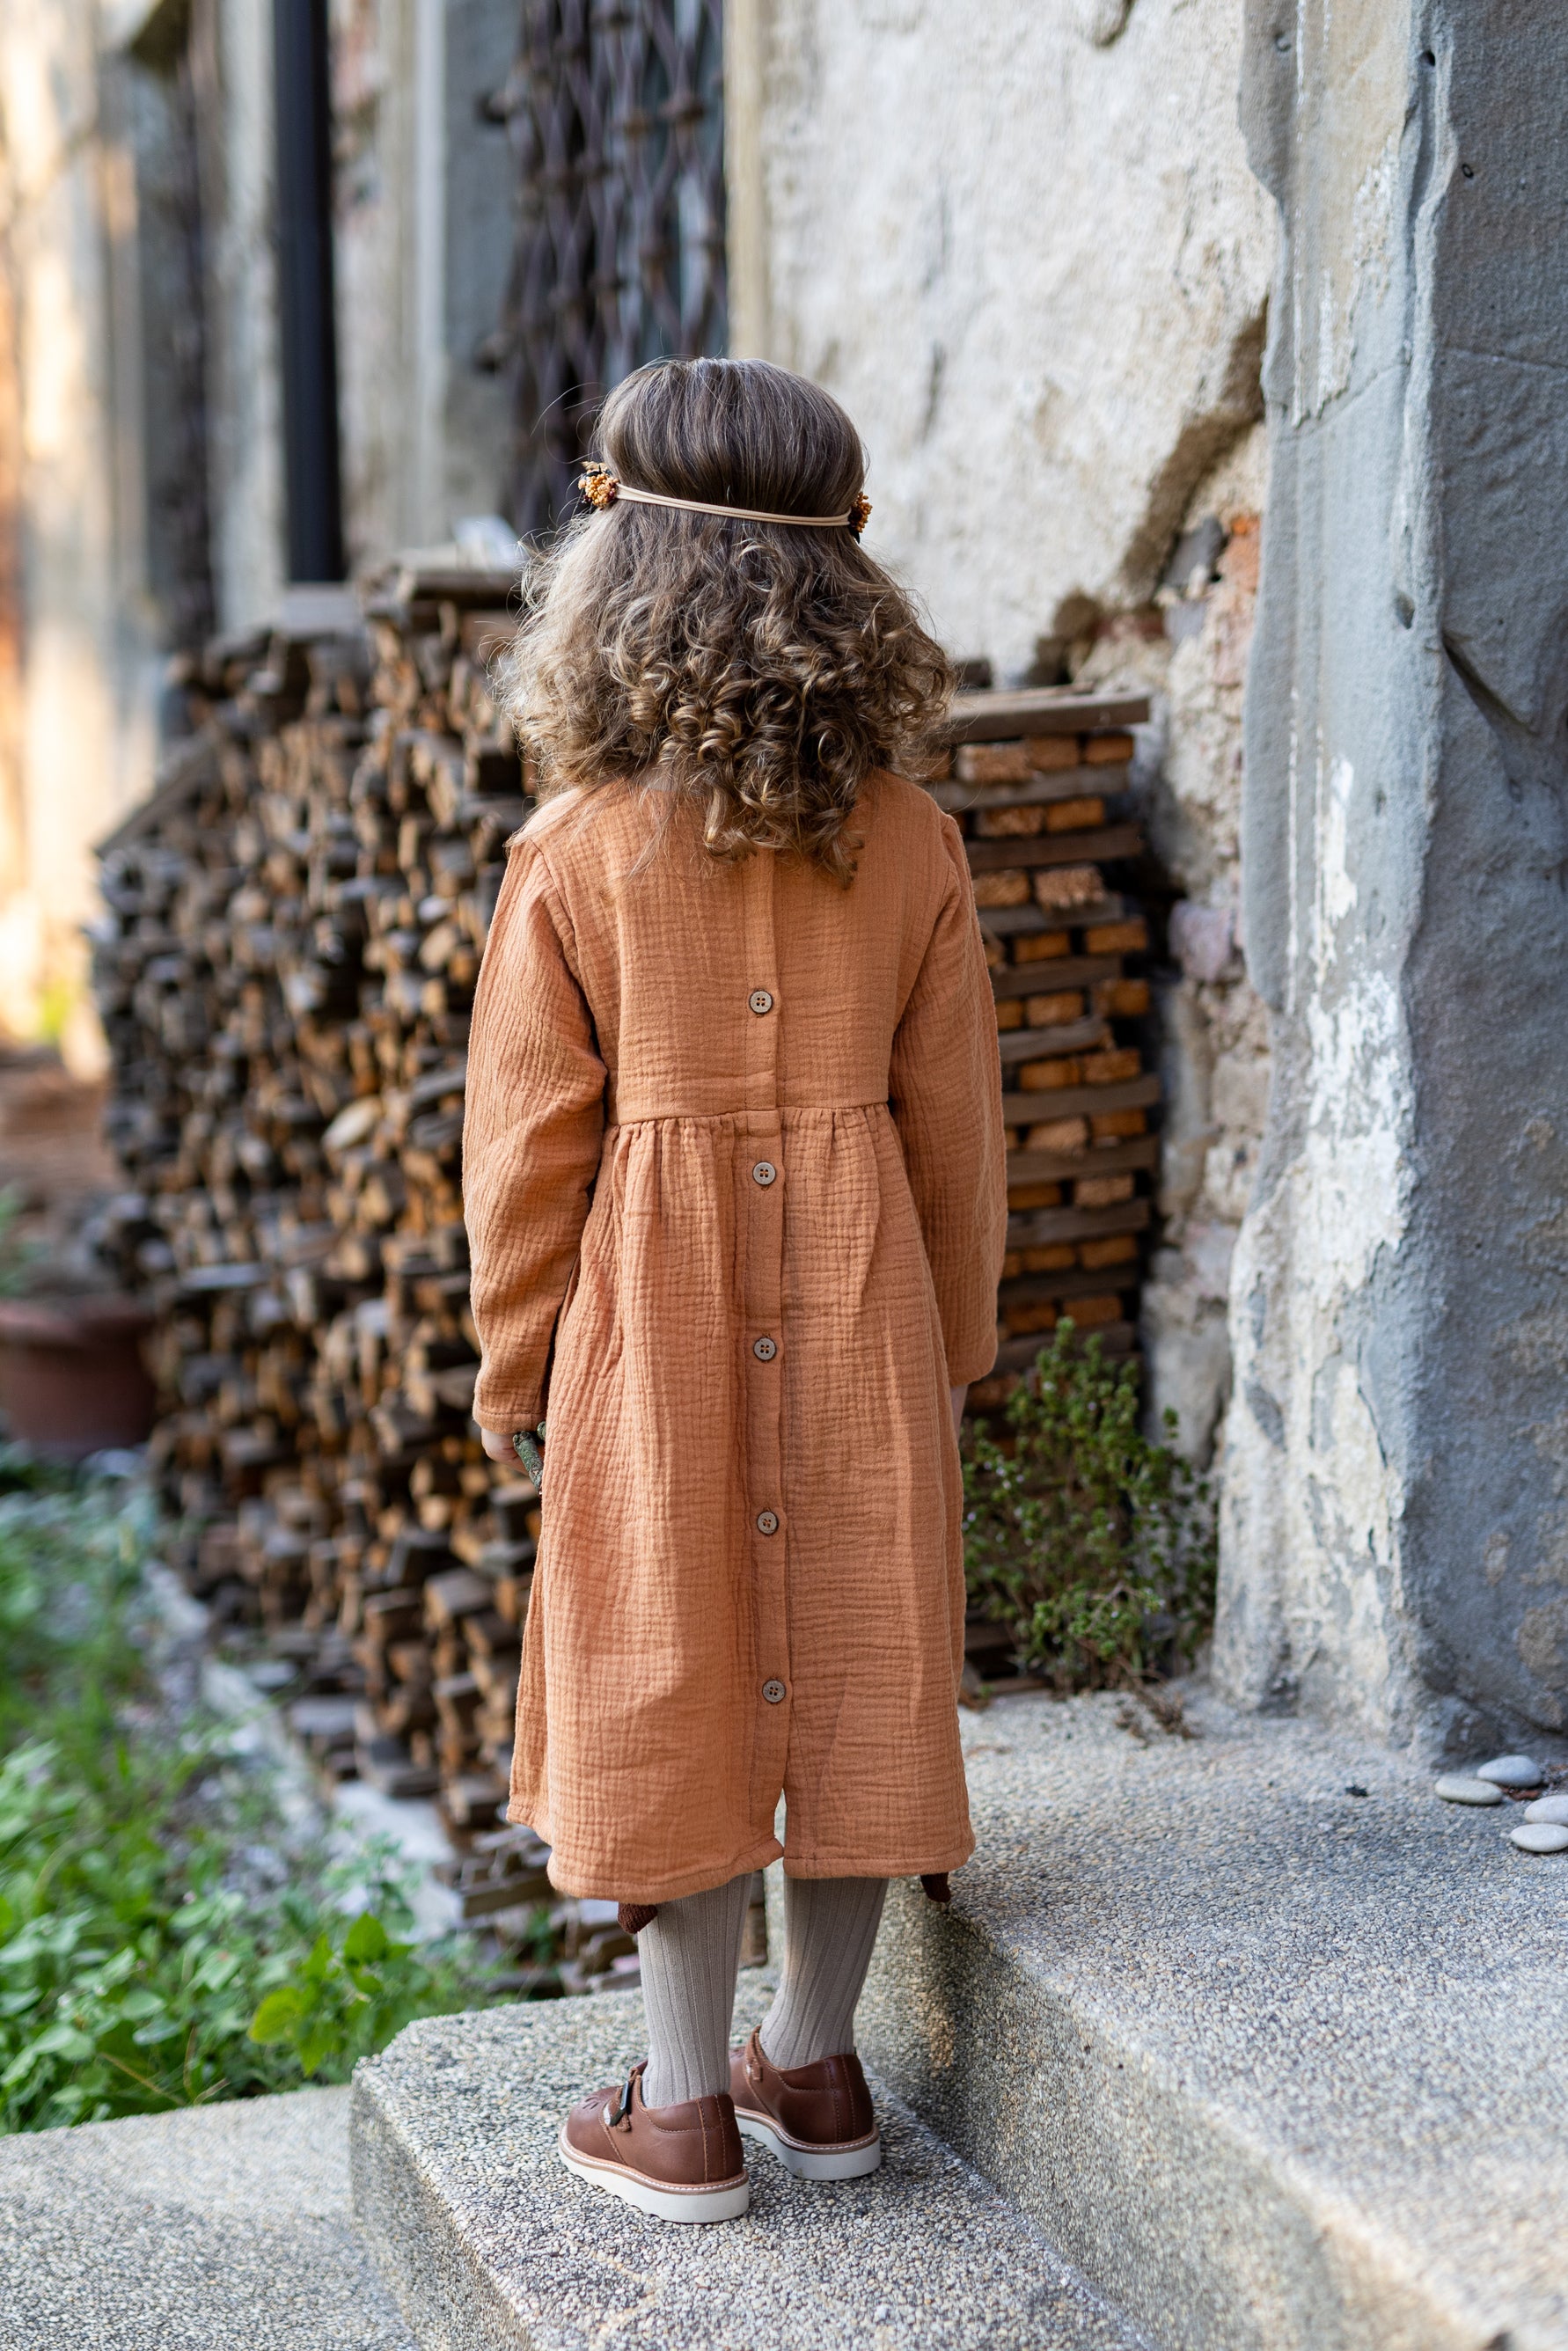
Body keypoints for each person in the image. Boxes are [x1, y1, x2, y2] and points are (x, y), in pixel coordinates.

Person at [463, 355, 1007, 2224]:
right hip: (869, 1313)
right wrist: (958, 1345)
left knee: (667, 1661)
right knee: (855, 1654)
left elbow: (528, 1148)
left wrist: (518, 1370)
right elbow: (958, 1134)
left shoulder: (575, 850)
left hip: (653, 1331)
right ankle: (822, 2059)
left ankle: (685, 2105)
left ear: (615, 581)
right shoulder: (918, 841)